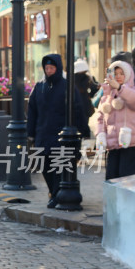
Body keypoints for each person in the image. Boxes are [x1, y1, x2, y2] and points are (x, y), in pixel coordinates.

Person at [27, 53, 90, 208]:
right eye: (46, 68)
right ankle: (53, 193)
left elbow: (77, 109)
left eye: (52, 68)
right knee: (44, 166)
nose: (49, 71)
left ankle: (56, 195)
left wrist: (83, 131)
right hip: (42, 133)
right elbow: (32, 110)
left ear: (58, 68)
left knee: (58, 167)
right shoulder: (39, 86)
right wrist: (31, 133)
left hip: (61, 136)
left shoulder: (67, 86)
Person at [96, 60, 135, 180]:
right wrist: (100, 133)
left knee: (128, 180)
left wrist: (120, 88)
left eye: (122, 73)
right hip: (113, 145)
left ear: (128, 75)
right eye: (115, 73)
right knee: (112, 178)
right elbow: (100, 118)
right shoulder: (107, 96)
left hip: (133, 145)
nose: (118, 76)